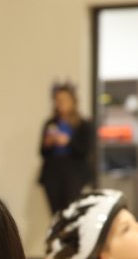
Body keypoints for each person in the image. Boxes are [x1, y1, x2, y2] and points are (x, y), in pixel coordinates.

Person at [38, 82, 95, 214]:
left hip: (73, 174)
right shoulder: (50, 123)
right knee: (56, 213)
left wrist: (68, 142)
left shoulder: (82, 124)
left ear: (73, 101)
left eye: (64, 100)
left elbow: (85, 151)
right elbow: (42, 152)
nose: (61, 103)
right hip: (52, 174)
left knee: (72, 210)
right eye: (58, 100)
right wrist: (48, 143)